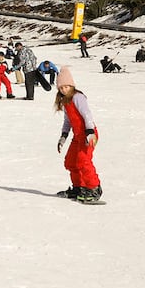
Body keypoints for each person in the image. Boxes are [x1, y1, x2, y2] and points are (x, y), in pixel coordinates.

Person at [54, 67, 103, 204]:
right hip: (78, 136)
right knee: (70, 161)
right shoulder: (65, 101)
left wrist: (89, 132)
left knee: (83, 161)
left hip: (89, 134)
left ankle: (93, 188)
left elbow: (87, 114)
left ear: (72, 85)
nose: (64, 89)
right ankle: (79, 187)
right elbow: (67, 121)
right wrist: (63, 137)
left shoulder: (78, 97)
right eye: (61, 87)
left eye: (67, 86)